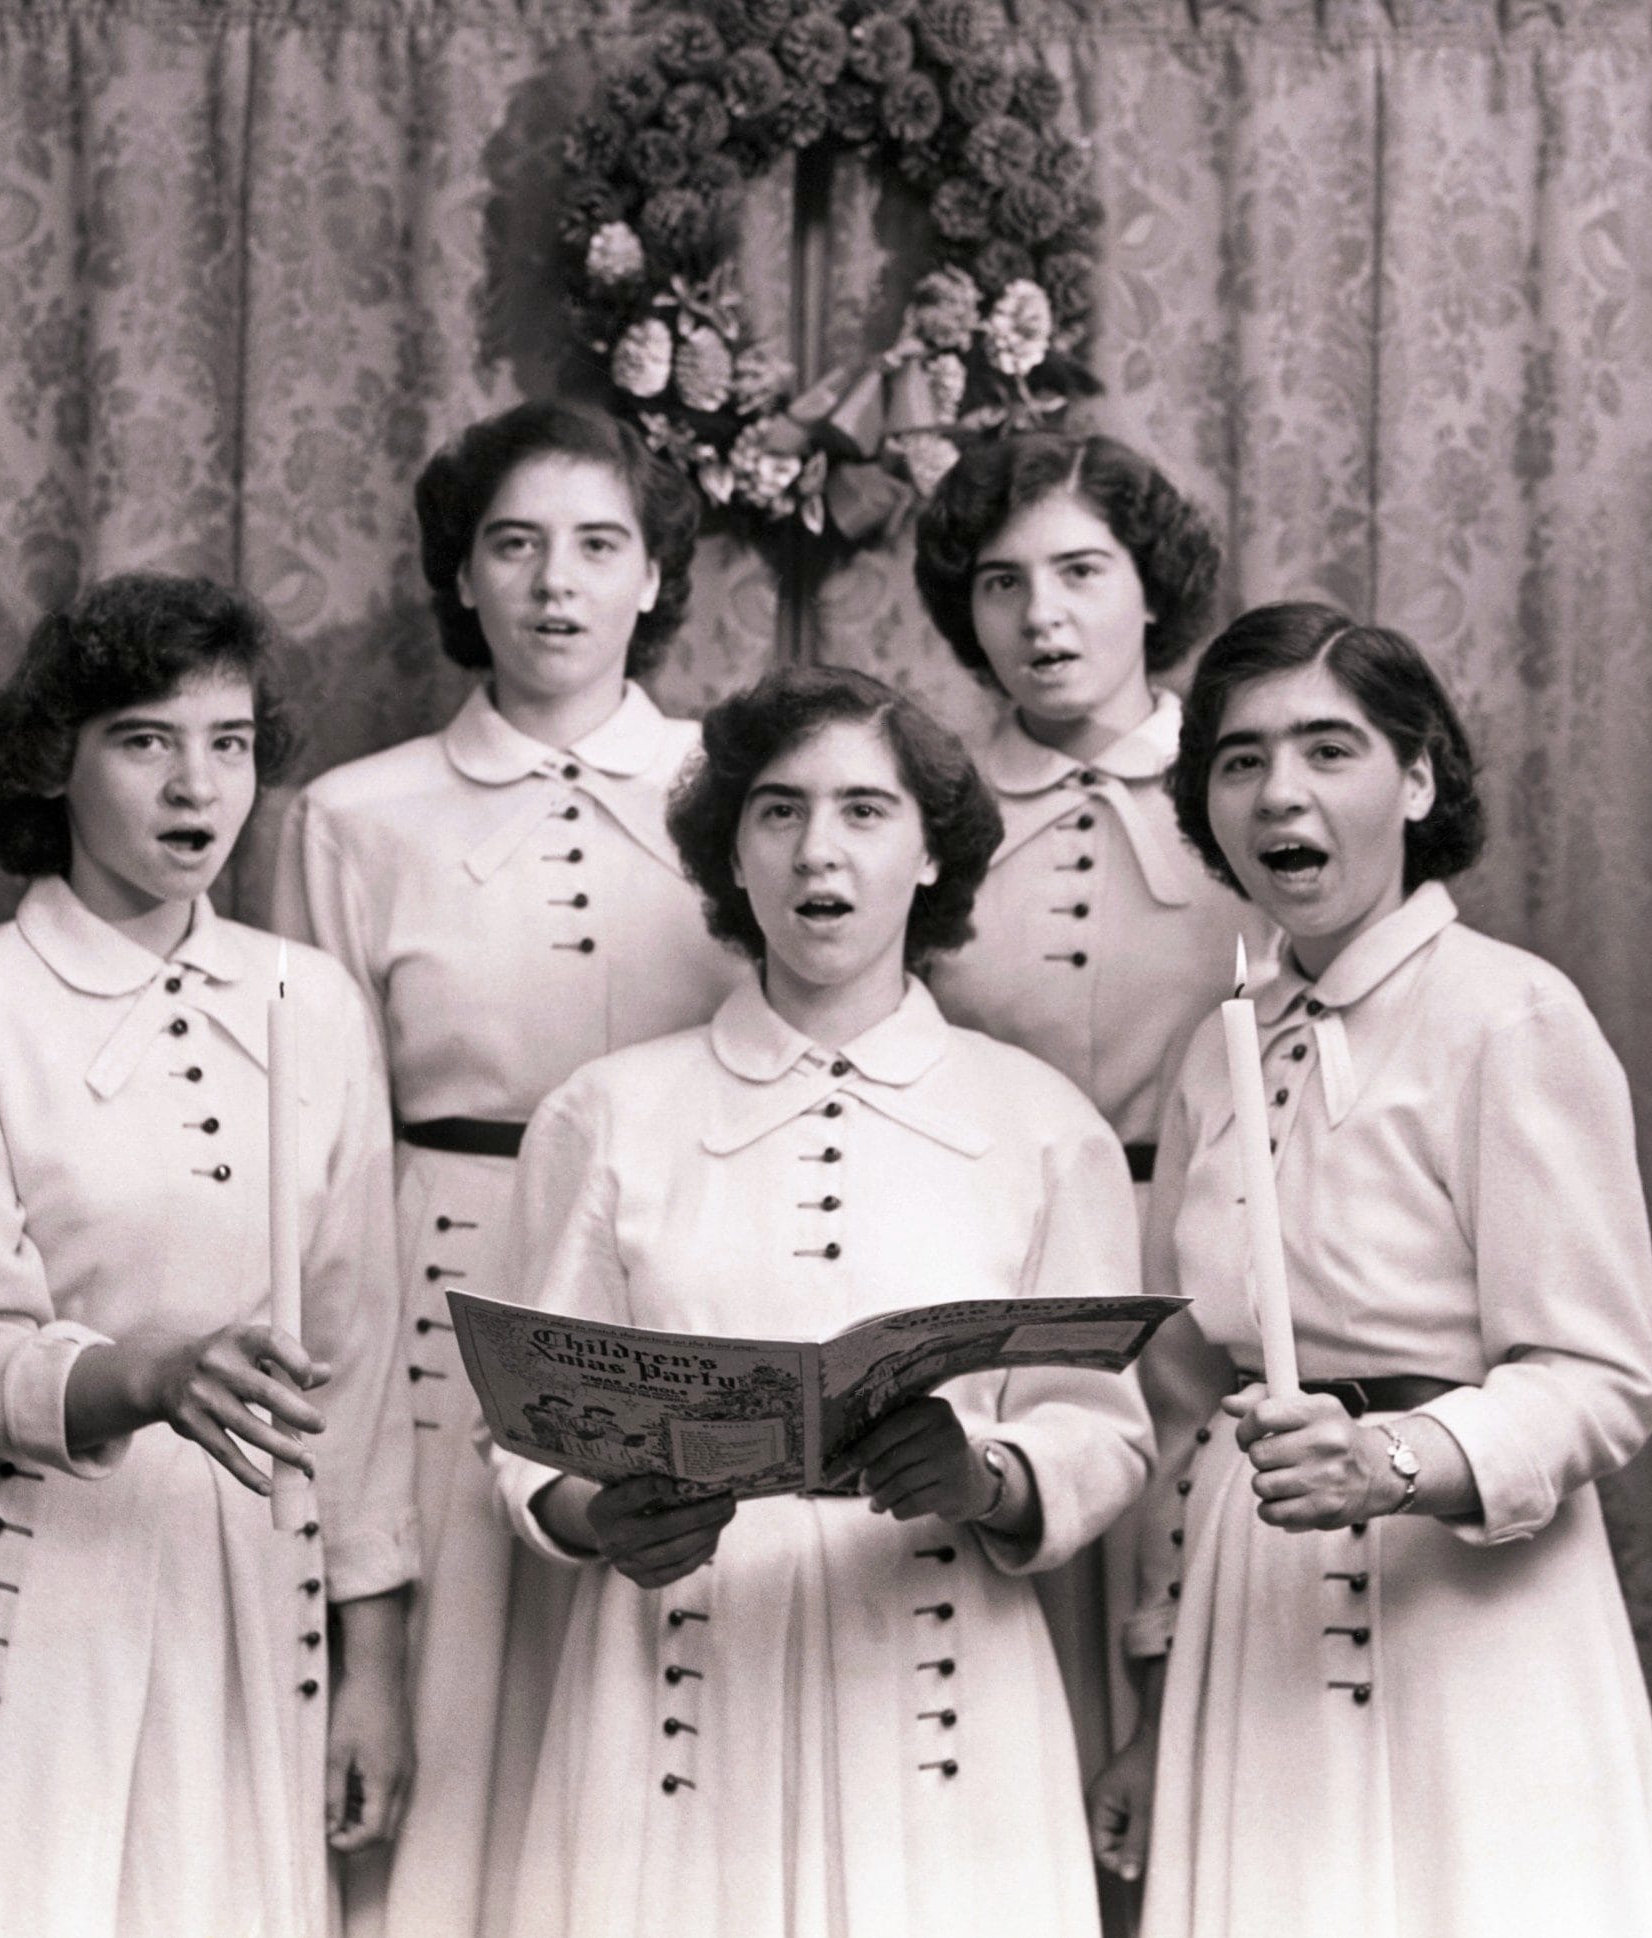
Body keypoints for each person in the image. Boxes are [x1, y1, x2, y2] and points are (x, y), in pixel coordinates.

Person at [0, 575, 419, 1938]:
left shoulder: (313, 1004)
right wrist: (145, 1376)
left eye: (231, 741)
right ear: (53, 762)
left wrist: (372, 1662)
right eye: (145, 738)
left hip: (247, 1593)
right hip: (14, 1592)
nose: (198, 783)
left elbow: (358, 1364)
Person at [489, 665, 1154, 1937]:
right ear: (731, 856)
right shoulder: (609, 1112)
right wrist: (595, 1514)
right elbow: (527, 1433)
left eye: (864, 811)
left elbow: (1102, 1427)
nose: (818, 853)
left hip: (943, 1690)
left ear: (928, 858)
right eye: (778, 811)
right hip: (670, 1684)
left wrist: (989, 1475)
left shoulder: (1038, 1124)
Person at [1088, 604, 1652, 1936]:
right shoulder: (1212, 1052)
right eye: (1238, 760)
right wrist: (1156, 1702)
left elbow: (1598, 1379)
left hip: (1474, 1627)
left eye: (1328, 748)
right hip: (1254, 1616)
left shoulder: (1512, 1014)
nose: (1279, 791)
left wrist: (1396, 1458)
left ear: (1416, 778)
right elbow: (1183, 1407)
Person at [273, 399, 745, 1938]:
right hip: (439, 1296)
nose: (556, 584)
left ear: (656, 578)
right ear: (461, 576)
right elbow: (318, 1158)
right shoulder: (354, 818)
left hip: (682, 1282)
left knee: (665, 1757)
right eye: (515, 544)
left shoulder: (738, 794)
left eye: (599, 545)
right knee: (458, 1754)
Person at [913, 431, 1257, 1802]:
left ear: (1149, 586)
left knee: (1197, 1675)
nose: (1041, 616)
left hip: (1209, 1262)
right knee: (1015, 1673)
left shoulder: (1244, 786)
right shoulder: (927, 805)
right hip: (992, 1273)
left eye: (1079, 571)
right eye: (1002, 584)